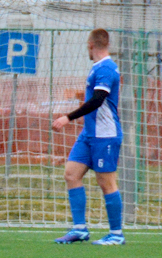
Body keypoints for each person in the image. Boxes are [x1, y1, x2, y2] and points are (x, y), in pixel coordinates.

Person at [52, 28, 125, 246]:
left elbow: (98, 99)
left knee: (106, 182)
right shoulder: (97, 68)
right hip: (89, 134)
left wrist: (68, 117)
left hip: (105, 135)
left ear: (91, 45)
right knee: (71, 174)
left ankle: (116, 234)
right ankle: (80, 229)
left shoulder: (107, 69)